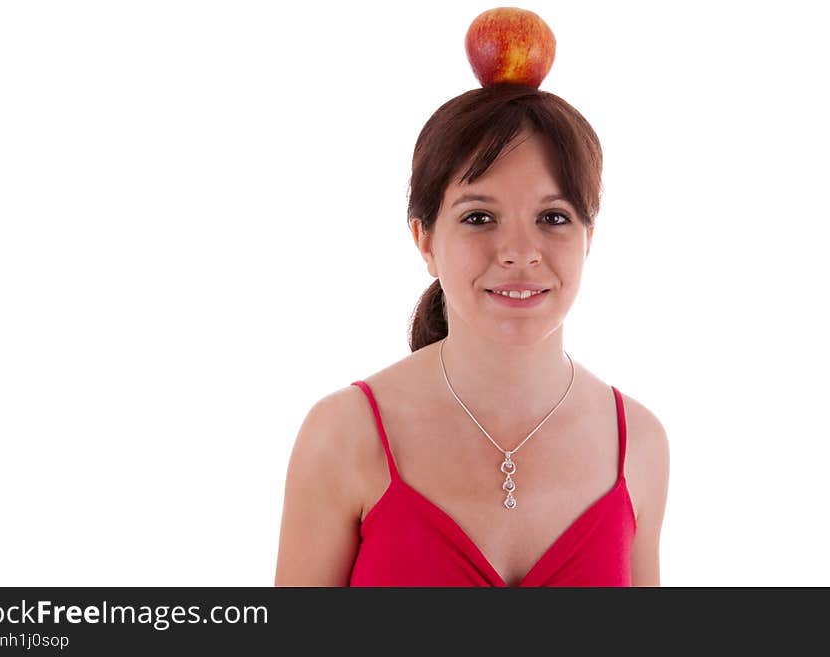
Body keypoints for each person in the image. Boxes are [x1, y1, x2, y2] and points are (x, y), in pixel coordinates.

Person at [274, 82, 670, 587]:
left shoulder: (639, 444)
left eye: (553, 217)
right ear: (425, 240)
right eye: (479, 217)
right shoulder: (344, 434)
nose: (519, 251)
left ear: (588, 239)